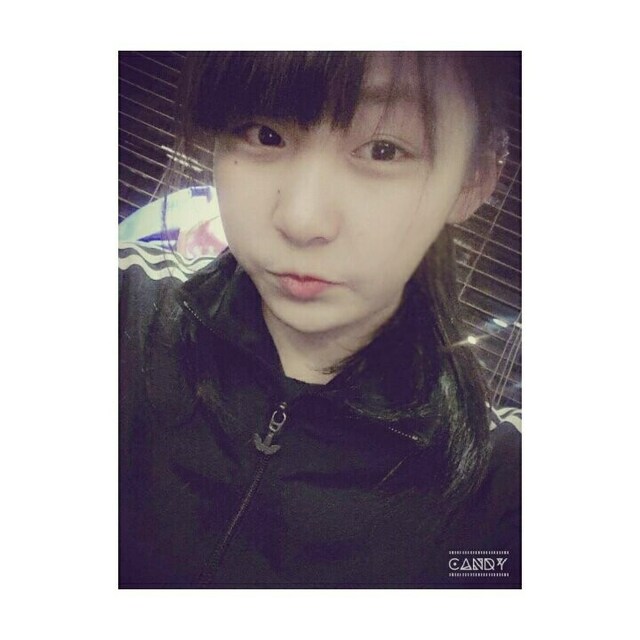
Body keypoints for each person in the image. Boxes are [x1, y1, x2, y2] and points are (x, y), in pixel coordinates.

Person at [119, 51, 521, 588]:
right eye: (264, 134)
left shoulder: (506, 500)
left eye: (383, 150)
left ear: (473, 179)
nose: (301, 219)